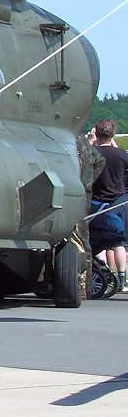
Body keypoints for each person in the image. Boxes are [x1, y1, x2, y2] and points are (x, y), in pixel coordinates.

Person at [89, 119, 128, 291]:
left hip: (97, 200)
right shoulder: (121, 155)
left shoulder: (93, 152)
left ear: (96, 133)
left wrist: (90, 142)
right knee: (119, 242)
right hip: (118, 199)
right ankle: (122, 278)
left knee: (97, 239)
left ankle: (105, 272)